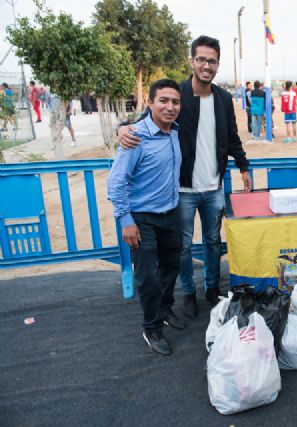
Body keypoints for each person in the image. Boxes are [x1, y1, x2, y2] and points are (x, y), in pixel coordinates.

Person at [118, 36, 252, 319]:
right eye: (201, 59)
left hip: (214, 186)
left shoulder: (223, 98)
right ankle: (188, 292)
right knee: (184, 246)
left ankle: (212, 289)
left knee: (214, 242)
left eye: (212, 60)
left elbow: (232, 136)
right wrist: (121, 127)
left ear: (217, 64)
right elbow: (145, 120)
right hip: (182, 190)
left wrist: (243, 166)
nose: (206, 65)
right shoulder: (175, 94)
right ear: (192, 61)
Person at [108, 79, 184, 356]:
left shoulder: (175, 132)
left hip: (170, 214)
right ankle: (151, 328)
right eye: (163, 100)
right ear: (150, 103)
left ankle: (164, 311)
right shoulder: (135, 137)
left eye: (175, 102)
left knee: (170, 267)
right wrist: (126, 220)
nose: (170, 107)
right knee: (148, 277)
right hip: (142, 219)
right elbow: (116, 183)